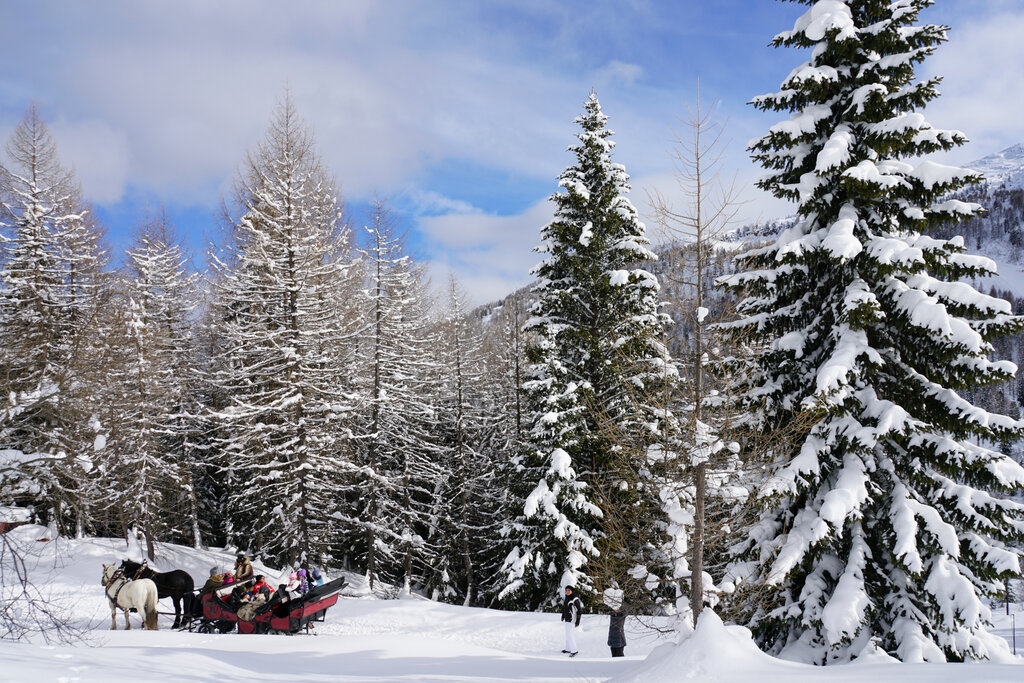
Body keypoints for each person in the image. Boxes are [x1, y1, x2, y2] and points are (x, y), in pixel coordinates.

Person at [561, 585, 582, 657]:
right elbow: (565, 608)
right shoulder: (567, 598)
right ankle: (568, 648)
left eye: (568, 590)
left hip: (572, 619)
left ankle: (574, 650)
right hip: (567, 618)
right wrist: (563, 615)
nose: (567, 592)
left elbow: (579, 610)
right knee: (567, 634)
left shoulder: (575, 598)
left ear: (572, 591)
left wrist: (578, 621)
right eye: (566, 590)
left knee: (570, 635)